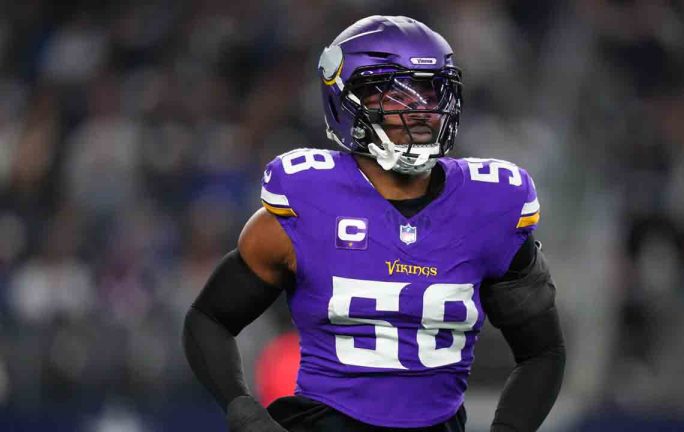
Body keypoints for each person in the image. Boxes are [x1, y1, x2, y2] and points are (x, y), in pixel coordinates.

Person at [183, 15, 565, 432]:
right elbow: (209, 319)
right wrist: (244, 410)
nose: (421, 107)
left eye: (431, 88)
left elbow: (542, 352)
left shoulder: (490, 206)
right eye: (397, 91)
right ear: (348, 98)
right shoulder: (308, 200)